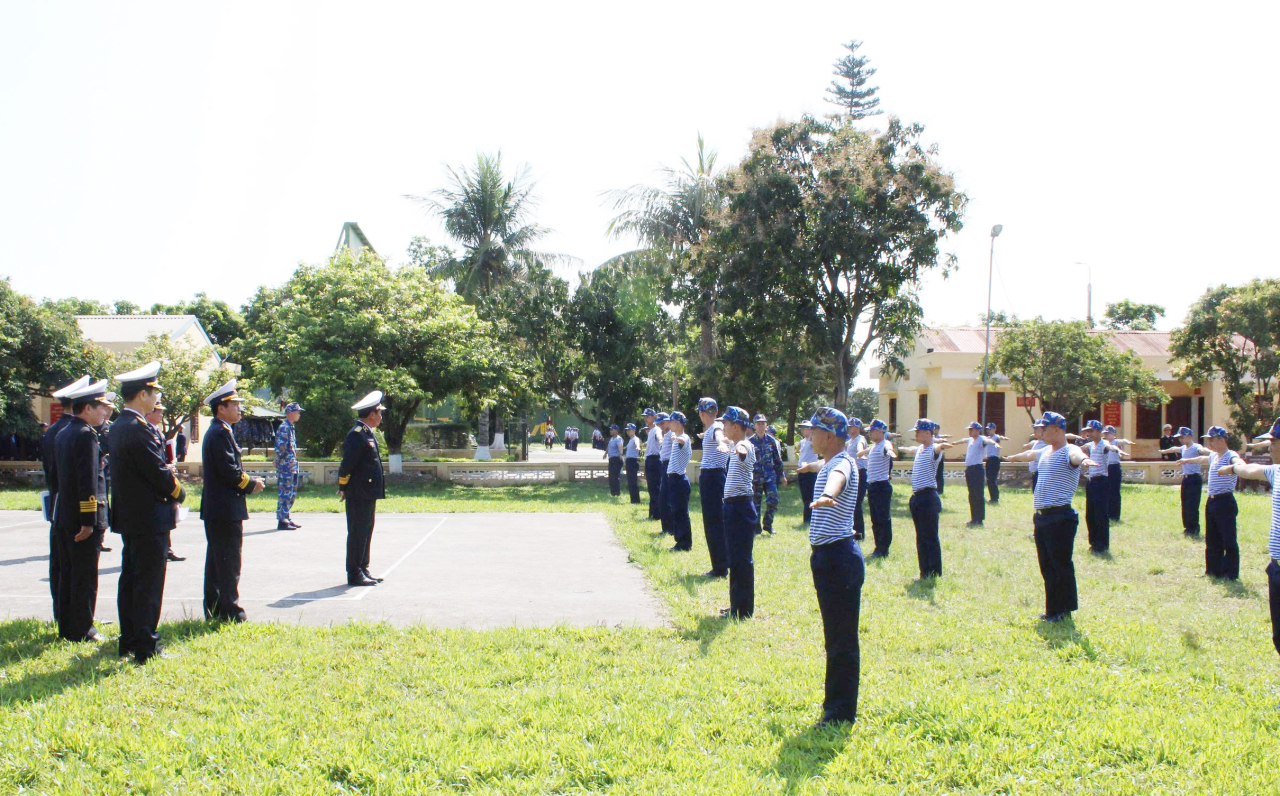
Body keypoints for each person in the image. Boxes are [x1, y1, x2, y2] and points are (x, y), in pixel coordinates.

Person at [110, 361, 186, 663]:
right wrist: (179, 492)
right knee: (148, 584)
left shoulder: (120, 425)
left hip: (132, 517)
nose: (157, 398)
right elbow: (158, 473)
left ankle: (129, 640)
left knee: (131, 580)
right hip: (149, 517)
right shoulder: (139, 429)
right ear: (142, 394)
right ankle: (146, 646)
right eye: (154, 392)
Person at [1003, 411, 1097, 623]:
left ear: (1057, 430)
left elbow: (1077, 456)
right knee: (1047, 566)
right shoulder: (1045, 450)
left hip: (1060, 517)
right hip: (1042, 517)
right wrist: (1013, 457)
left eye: (1044, 429)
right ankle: (1052, 610)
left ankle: (1064, 610)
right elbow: (1030, 455)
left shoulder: (1069, 450)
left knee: (1060, 565)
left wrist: (1085, 460)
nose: (1041, 432)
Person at [805, 407, 865, 726]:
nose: (809, 436)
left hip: (838, 559)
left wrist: (829, 493)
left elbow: (837, 477)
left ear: (829, 436)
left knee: (841, 639)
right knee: (834, 636)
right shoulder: (831, 460)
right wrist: (808, 467)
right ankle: (835, 704)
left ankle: (840, 713)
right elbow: (826, 467)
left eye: (814, 431)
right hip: (829, 558)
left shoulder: (842, 464)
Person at [52, 378, 113, 642]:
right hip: (81, 518)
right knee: (84, 576)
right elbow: (87, 480)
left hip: (64, 514)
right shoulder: (86, 435)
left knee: (68, 574)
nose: (105, 412)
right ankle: (83, 629)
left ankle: (67, 627)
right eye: (101, 407)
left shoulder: (63, 432)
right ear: (87, 408)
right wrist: (88, 520)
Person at [201, 380, 265, 622]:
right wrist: (251, 484)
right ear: (221, 408)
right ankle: (230, 611)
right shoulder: (220, 433)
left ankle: (215, 608)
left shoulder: (221, 430)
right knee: (228, 562)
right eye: (235, 404)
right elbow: (229, 471)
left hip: (221, 508)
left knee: (218, 562)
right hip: (224, 509)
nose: (240, 409)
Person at [1215, 420, 1280, 655]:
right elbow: (1249, 470)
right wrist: (1233, 467)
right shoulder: (1276, 471)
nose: (1270, 447)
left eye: (1274, 442)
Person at [42, 374, 90, 622]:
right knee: (71, 566)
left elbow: (50, 473)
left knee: (60, 563)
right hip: (71, 506)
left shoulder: (54, 430)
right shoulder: (74, 431)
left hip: (58, 504)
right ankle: (73, 617)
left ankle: (62, 614)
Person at [338, 391, 388, 586]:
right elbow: (347, 464)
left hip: (367, 492)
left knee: (366, 531)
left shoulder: (366, 433)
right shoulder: (356, 434)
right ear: (371, 414)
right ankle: (354, 572)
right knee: (358, 532)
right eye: (379, 413)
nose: (381, 417)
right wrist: (343, 485)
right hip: (358, 492)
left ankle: (363, 568)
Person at [897, 419, 956, 579]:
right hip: (917, 498)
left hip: (928, 497)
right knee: (921, 537)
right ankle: (924, 571)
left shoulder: (932, 450)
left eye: (918, 431)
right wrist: (899, 448)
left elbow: (937, 448)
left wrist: (942, 445)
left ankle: (934, 572)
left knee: (930, 537)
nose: (916, 434)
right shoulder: (920, 449)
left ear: (928, 433)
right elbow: (910, 449)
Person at [1180, 426, 1241, 579]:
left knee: (1228, 538)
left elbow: (1238, 462)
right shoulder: (1214, 456)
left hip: (1224, 501)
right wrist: (1187, 460)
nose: (1210, 444)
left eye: (1212, 440)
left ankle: (1230, 573)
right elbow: (1202, 459)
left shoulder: (1230, 455)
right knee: (1212, 538)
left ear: (1222, 440)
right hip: (1212, 501)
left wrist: (1234, 467)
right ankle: (1213, 570)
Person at [716, 406, 758, 619]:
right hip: (733, 507)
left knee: (741, 560)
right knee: (735, 559)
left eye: (726, 423)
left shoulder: (744, 445)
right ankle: (737, 605)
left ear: (735, 426)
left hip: (740, 507)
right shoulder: (735, 443)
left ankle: (743, 610)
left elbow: (742, 449)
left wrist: (736, 448)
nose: (723, 426)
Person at [145, 403, 184, 563]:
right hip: (157, 483)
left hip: (165, 478)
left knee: (167, 516)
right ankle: (164, 549)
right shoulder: (146, 431)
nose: (161, 415)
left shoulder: (158, 431)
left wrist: (170, 465)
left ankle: (167, 548)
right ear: (150, 413)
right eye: (159, 412)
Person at [697, 397, 730, 578]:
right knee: (716, 520)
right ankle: (721, 563)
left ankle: (719, 567)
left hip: (712, 478)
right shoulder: (713, 428)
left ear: (701, 413)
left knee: (713, 522)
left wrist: (721, 443)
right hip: (715, 477)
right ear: (716, 412)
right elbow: (714, 433)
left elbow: (718, 435)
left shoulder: (716, 428)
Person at [1080, 420, 1119, 554]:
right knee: (1090, 515)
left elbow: (1109, 446)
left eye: (1091, 431)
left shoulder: (1103, 444)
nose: (1089, 433)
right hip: (1091, 482)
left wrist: (1115, 449)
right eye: (1088, 431)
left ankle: (1102, 545)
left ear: (1098, 431)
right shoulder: (1091, 445)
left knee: (1100, 514)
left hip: (1101, 482)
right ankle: (1094, 543)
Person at [860, 419, 895, 558]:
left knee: (883, 519)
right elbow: (865, 452)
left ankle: (884, 549)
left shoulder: (885, 444)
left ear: (881, 432)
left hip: (882, 486)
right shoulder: (874, 446)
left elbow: (889, 449)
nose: (870, 434)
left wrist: (891, 452)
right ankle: (878, 547)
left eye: (872, 431)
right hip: (873, 486)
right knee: (875, 519)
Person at [750, 414, 786, 535]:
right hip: (755, 478)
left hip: (770, 477)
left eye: (763, 423)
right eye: (758, 423)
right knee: (755, 504)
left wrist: (782, 475)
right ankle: (756, 527)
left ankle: (768, 524)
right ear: (754, 426)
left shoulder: (771, 441)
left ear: (766, 425)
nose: (761, 426)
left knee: (773, 500)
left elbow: (777, 459)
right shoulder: (750, 442)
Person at [665, 411, 693, 552]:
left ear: (678, 423)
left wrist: (676, 438)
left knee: (681, 512)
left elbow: (683, 440)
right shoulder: (676, 438)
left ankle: (684, 544)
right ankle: (680, 541)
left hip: (679, 479)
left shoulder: (683, 437)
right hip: (674, 479)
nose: (669, 424)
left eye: (671, 422)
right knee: (676, 511)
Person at [959, 422, 996, 527]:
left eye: (971, 429)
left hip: (977, 469)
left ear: (977, 431)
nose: (970, 431)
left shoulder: (981, 439)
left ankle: (979, 519)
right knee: (971, 494)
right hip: (970, 470)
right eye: (969, 429)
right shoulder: (971, 440)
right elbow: (963, 440)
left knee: (978, 494)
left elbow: (987, 441)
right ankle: (973, 518)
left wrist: (993, 443)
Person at [275, 402, 304, 531]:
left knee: (291, 493)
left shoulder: (290, 427)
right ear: (291, 413)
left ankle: (286, 517)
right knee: (285, 493)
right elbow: (281, 448)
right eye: (297, 412)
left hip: (291, 465)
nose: (299, 414)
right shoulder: (284, 427)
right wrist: (279, 461)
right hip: (286, 466)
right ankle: (282, 521)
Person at [1177, 426, 1209, 536]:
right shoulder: (1183, 448)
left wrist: (1210, 452)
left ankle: (1194, 528)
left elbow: (1202, 450)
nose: (1180, 439)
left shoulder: (1196, 447)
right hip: (1186, 478)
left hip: (1194, 478)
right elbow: (1174, 449)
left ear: (1189, 437)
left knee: (1192, 504)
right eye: (1179, 437)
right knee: (1185, 504)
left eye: (1182, 437)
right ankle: (1187, 528)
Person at [1102, 426, 1133, 521]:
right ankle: (1107, 513)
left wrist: (1128, 442)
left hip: (1114, 468)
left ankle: (1115, 515)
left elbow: (1122, 441)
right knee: (1106, 491)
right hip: (1106, 468)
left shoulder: (1116, 442)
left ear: (1113, 434)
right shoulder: (1103, 443)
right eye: (1105, 433)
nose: (1106, 435)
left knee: (1114, 492)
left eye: (1108, 433)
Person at [845, 418, 868, 540]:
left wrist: (860, 452)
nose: (850, 428)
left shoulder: (860, 439)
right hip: (852, 473)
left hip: (860, 473)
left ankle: (859, 533)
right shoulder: (849, 441)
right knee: (851, 503)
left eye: (852, 426)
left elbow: (860, 447)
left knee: (857, 504)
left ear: (858, 428)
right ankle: (852, 530)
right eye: (849, 426)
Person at [795, 421, 821, 524]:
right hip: (801, 470)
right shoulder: (802, 441)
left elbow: (818, 450)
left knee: (810, 496)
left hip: (810, 471)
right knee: (805, 496)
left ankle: (810, 519)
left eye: (805, 428)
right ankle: (807, 518)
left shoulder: (813, 440)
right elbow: (798, 451)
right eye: (802, 428)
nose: (802, 430)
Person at [641, 409, 663, 521]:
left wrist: (661, 440)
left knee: (655, 488)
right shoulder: (650, 431)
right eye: (645, 416)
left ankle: (657, 515)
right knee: (651, 488)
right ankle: (652, 513)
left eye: (648, 416)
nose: (646, 418)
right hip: (649, 460)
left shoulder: (656, 429)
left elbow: (659, 437)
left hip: (654, 460)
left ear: (654, 417)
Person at [657, 412, 675, 535]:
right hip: (664, 464)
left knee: (666, 496)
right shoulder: (666, 434)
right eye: (659, 424)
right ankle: (667, 527)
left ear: (669, 422)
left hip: (669, 464)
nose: (661, 426)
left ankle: (669, 527)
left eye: (663, 423)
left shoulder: (671, 434)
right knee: (663, 497)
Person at [1023, 422, 1049, 493]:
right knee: (1035, 493)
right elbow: (1030, 444)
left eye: (1036, 429)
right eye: (1034, 429)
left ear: (1043, 429)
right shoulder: (1036, 442)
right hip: (1035, 473)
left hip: (1042, 473)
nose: (1034, 431)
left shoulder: (1047, 442)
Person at [983, 422, 1006, 504]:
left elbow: (999, 438)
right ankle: (992, 497)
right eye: (987, 429)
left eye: (990, 429)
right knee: (989, 480)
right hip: (988, 460)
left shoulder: (996, 437)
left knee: (992, 479)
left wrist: (1004, 438)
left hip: (994, 460)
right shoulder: (987, 438)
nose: (988, 431)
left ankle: (995, 498)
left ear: (994, 429)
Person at [623, 423, 642, 504]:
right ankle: (633, 500)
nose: (628, 431)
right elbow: (626, 448)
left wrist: (638, 447)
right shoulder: (630, 440)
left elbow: (637, 443)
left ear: (634, 430)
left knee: (633, 481)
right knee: (630, 481)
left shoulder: (635, 439)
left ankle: (636, 500)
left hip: (633, 461)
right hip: (629, 461)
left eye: (629, 430)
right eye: (627, 430)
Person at [605, 424, 624, 496]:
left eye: (612, 429)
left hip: (616, 459)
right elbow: (608, 447)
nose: (610, 431)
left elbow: (620, 446)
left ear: (616, 431)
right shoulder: (611, 439)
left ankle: (617, 492)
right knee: (611, 476)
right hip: (611, 459)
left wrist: (621, 454)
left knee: (615, 476)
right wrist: (605, 453)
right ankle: (612, 492)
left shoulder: (618, 439)